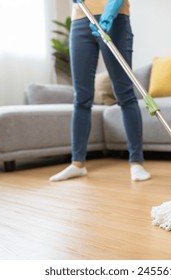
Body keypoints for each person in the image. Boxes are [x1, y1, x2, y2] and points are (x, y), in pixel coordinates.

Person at [49, 0, 151, 182]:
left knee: (125, 93)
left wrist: (109, 13)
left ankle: (137, 163)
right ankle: (77, 164)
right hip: (80, 19)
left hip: (115, 17)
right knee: (81, 97)